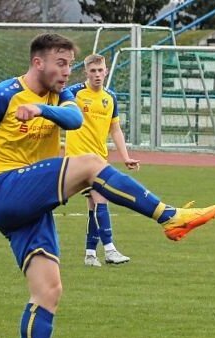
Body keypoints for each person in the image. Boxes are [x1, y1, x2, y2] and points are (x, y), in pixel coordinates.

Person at [0, 33, 215, 338]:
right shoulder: (2, 95)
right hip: (3, 187)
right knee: (91, 166)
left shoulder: (60, 98)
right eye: (60, 64)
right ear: (38, 63)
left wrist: (42, 111)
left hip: (31, 204)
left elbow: (74, 118)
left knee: (48, 290)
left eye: (69, 65)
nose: (67, 72)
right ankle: (169, 216)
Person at [66, 53, 137, 267]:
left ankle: (90, 253)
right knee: (101, 199)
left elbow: (115, 129)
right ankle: (110, 249)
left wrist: (125, 157)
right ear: (86, 72)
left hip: (99, 159)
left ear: (106, 71)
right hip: (80, 160)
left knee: (93, 206)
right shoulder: (73, 93)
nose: (97, 74)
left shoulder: (110, 97)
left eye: (100, 70)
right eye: (93, 71)